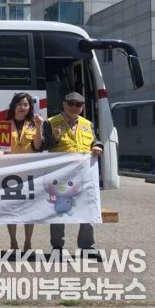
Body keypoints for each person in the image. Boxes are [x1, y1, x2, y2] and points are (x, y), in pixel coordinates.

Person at [45, 92, 103, 259]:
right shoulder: (51, 122)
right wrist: (54, 138)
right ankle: (57, 247)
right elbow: (43, 145)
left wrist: (98, 146)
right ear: (64, 104)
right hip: (60, 176)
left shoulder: (87, 124)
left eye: (78, 104)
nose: (74, 107)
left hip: (84, 175)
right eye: (71, 103)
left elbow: (95, 140)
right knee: (59, 210)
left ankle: (87, 247)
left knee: (87, 208)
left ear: (82, 107)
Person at [4, 92, 44, 253]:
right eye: (19, 104)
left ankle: (28, 243)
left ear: (30, 107)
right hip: (9, 172)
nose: (22, 107)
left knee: (29, 209)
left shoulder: (34, 124)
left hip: (29, 173)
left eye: (26, 104)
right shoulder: (4, 125)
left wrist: (39, 127)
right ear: (14, 106)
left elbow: (38, 146)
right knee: (11, 208)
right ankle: (13, 243)